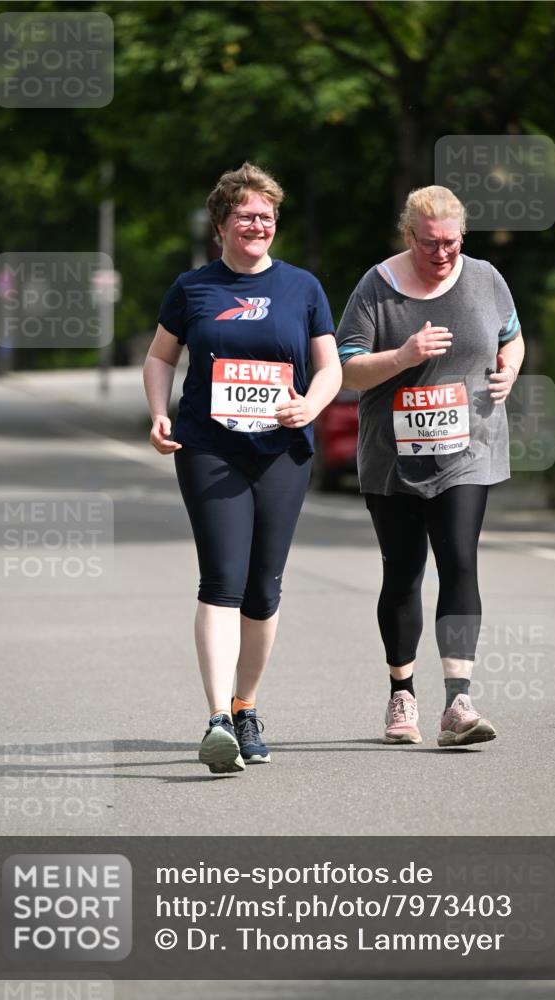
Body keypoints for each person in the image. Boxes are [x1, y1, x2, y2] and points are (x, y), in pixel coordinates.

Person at [143, 162, 341, 774]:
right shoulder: (193, 288)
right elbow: (159, 357)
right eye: (246, 216)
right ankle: (217, 722)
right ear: (221, 224)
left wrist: (310, 403)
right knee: (222, 580)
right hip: (210, 448)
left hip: (282, 452)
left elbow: (330, 367)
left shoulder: (303, 288)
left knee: (264, 589)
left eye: (267, 217)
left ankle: (246, 704)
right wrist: (158, 413)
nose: (258, 225)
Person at [336, 185, 524, 747]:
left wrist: (510, 370)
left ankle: (458, 701)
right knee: (403, 572)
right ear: (408, 236)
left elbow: (512, 339)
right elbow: (348, 369)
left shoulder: (486, 278)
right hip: (393, 455)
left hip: (468, 449)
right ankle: (402, 692)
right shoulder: (378, 287)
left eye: (451, 241)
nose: (442, 253)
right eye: (429, 243)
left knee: (459, 560)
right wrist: (404, 356)